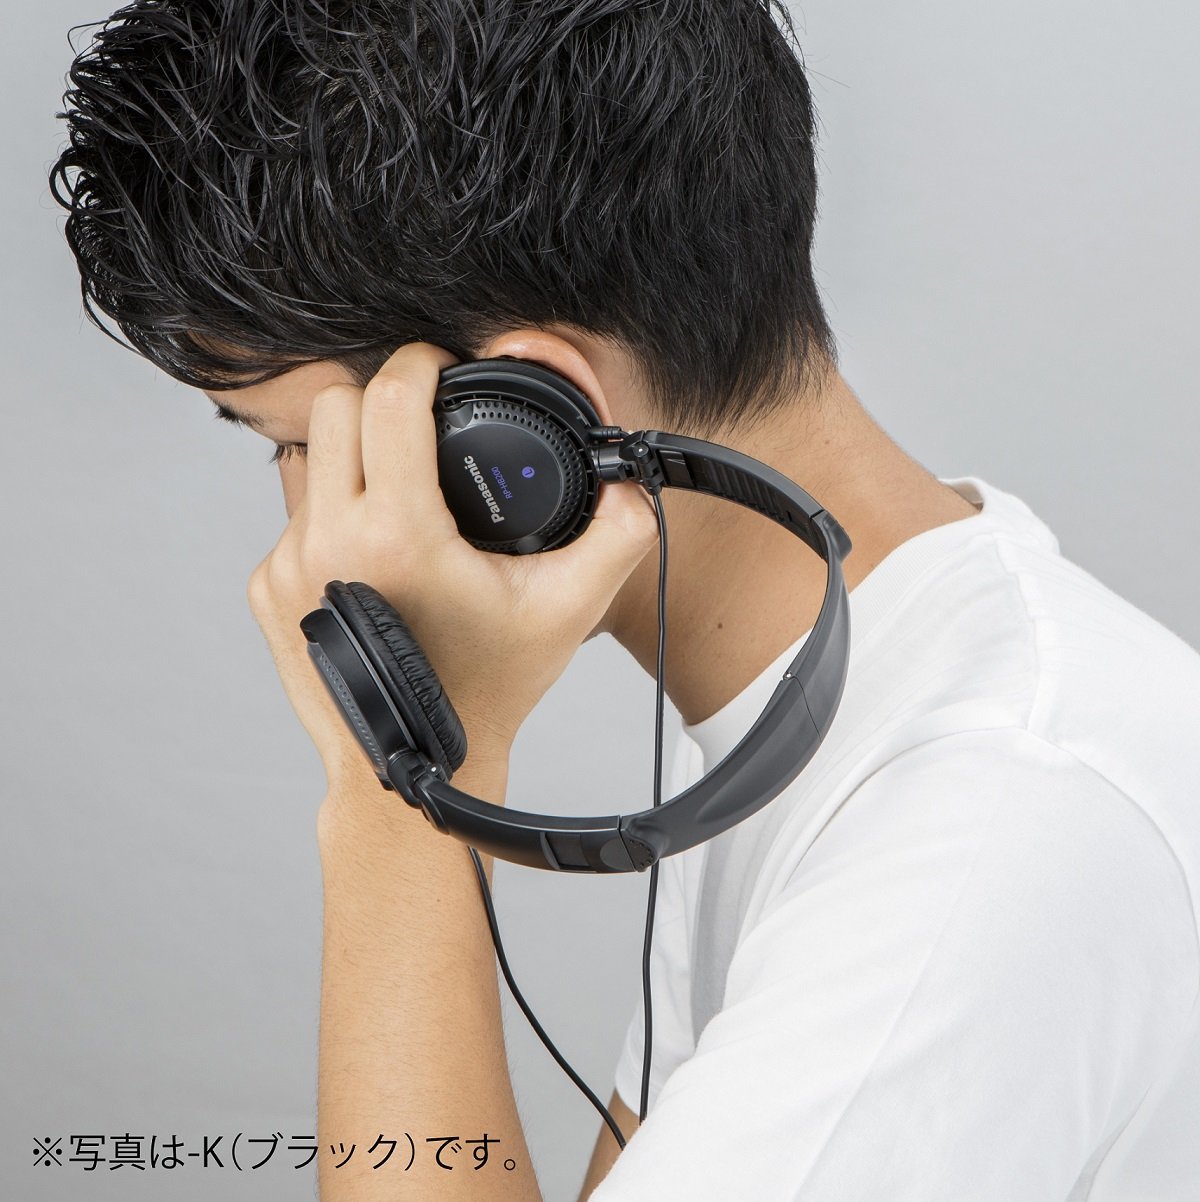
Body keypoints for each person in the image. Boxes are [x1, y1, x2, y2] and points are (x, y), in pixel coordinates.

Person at [48, 2, 1200, 1199]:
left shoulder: (990, 837)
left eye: (289, 443)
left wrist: (396, 787)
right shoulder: (820, 709)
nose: (296, 536)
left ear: (517, 425)